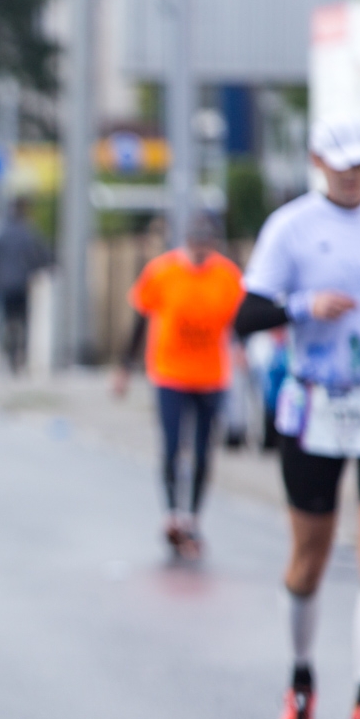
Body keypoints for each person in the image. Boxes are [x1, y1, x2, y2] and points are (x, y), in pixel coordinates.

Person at [234, 119, 360, 719]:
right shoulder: (290, 228)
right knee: (310, 556)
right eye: (342, 164)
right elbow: (246, 315)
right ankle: (300, 683)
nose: (352, 175)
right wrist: (303, 306)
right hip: (313, 404)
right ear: (319, 161)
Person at [113, 212, 244, 558]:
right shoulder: (162, 272)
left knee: (202, 451)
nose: (202, 250)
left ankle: (193, 518)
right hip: (169, 372)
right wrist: (125, 367)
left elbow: (240, 319)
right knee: (172, 445)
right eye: (196, 243)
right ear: (187, 242)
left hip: (212, 376)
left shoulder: (227, 276)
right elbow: (141, 319)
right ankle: (172, 514)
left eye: (208, 243)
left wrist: (242, 348)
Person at [0, 198, 52, 375]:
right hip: (22, 283)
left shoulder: (2, 233)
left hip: (3, 285)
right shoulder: (28, 233)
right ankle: (19, 354)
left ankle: (7, 352)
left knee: (6, 319)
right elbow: (40, 255)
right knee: (23, 320)